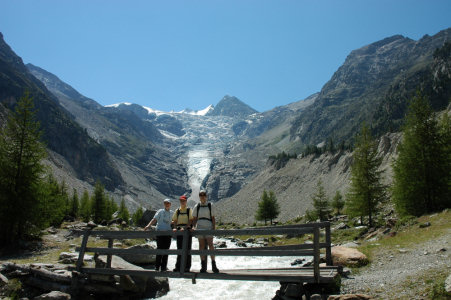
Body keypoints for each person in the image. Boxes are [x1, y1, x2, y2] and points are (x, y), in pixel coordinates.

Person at [192, 189, 219, 273]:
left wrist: (213, 228)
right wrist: (193, 227)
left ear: (206, 196)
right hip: (199, 227)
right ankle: (203, 265)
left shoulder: (210, 205)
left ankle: (213, 264)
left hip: (208, 226)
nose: (202, 196)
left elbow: (213, 218)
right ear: (199, 197)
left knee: (211, 245)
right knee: (201, 246)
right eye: (201, 195)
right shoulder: (197, 206)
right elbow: (194, 218)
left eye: (204, 195)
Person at [144, 198, 173, 272]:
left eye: (168, 203)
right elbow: (154, 219)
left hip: (168, 233)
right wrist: (148, 226)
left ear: (170, 204)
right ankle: (157, 267)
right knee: (159, 249)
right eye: (165, 203)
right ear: (164, 204)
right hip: (160, 232)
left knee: (166, 250)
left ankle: (163, 267)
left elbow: (174, 222)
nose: (167, 204)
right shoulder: (160, 211)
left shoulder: (172, 213)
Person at [171, 195, 193, 272]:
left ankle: (187, 267)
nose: (182, 202)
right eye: (181, 201)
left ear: (186, 201)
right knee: (179, 249)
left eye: (183, 201)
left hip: (186, 230)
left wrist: (186, 227)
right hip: (179, 230)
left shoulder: (189, 210)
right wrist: (174, 227)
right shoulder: (177, 210)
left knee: (188, 249)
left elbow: (191, 220)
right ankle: (178, 266)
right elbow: (174, 220)